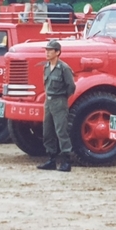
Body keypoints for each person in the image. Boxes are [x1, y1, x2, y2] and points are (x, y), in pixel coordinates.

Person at [37, 40, 76, 172]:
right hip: (48, 102)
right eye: (46, 50)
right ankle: (52, 159)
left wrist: (62, 98)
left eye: (50, 50)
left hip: (59, 101)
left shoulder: (64, 68)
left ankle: (66, 160)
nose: (47, 52)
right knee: (47, 131)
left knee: (61, 131)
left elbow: (71, 86)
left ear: (57, 52)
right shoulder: (46, 67)